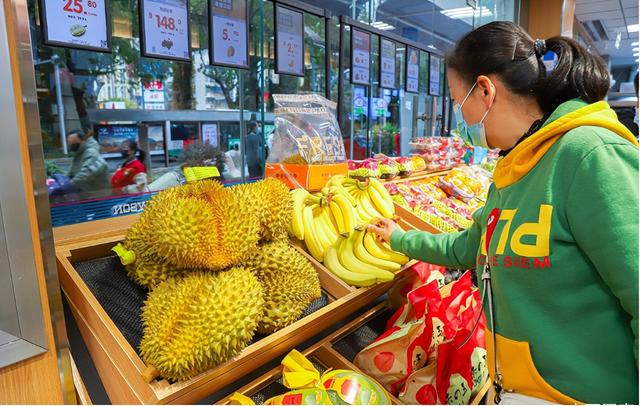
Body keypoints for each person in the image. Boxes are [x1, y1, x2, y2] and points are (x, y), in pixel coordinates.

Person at [367, 21, 638, 405]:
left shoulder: (589, 154)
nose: (461, 119)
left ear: (485, 90)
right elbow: (471, 246)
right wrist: (398, 238)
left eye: (457, 100)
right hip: (523, 389)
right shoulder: (512, 169)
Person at [66, 129, 110, 196]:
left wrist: (67, 185)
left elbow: (86, 173)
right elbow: (72, 172)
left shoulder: (91, 152)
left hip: (98, 196)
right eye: (70, 144)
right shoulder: (80, 153)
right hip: (87, 194)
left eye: (73, 143)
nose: (71, 146)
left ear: (83, 140)